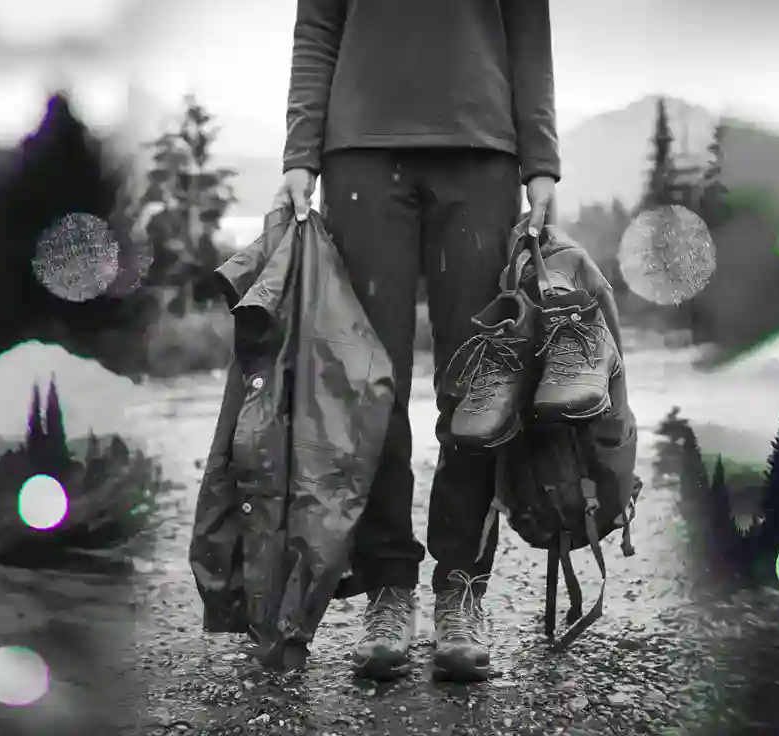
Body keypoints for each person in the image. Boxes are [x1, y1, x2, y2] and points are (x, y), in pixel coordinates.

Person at [273, 0, 560, 682]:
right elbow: (317, 24)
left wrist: (541, 160)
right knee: (373, 386)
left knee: (478, 390)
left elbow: (529, 27)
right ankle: (388, 587)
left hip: (483, 154)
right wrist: (299, 150)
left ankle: (461, 588)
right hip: (362, 154)